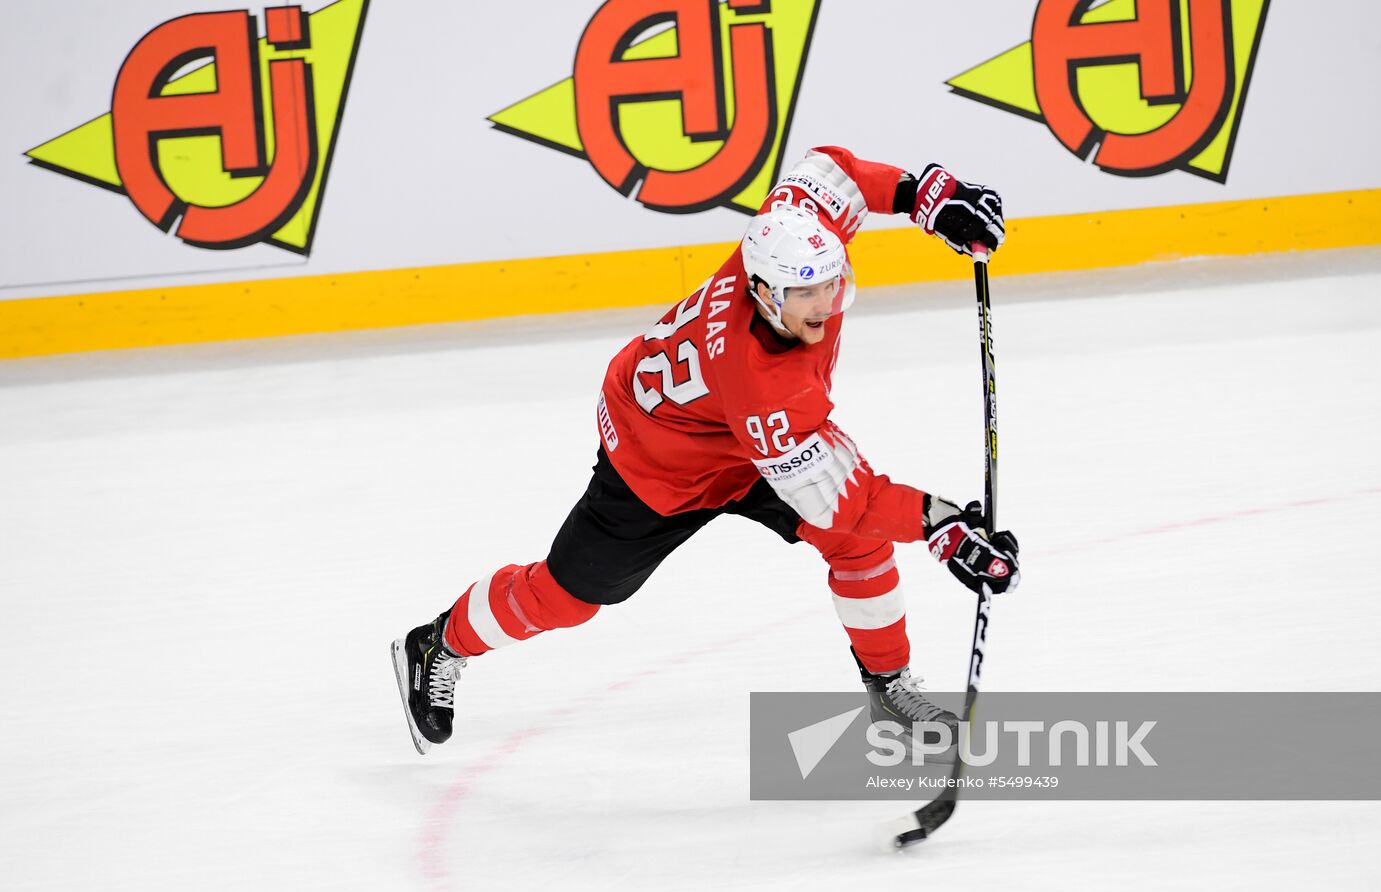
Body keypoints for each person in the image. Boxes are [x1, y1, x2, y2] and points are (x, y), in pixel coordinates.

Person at [391, 146, 1021, 755]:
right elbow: (845, 499)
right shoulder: (764, 387)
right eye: (805, 294)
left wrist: (927, 197)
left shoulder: (788, 237)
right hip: (658, 462)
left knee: (856, 543)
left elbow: (838, 173)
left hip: (735, 435)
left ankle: (888, 687)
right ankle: (438, 644)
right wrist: (942, 525)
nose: (825, 305)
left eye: (832, 285)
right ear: (765, 293)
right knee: (567, 597)